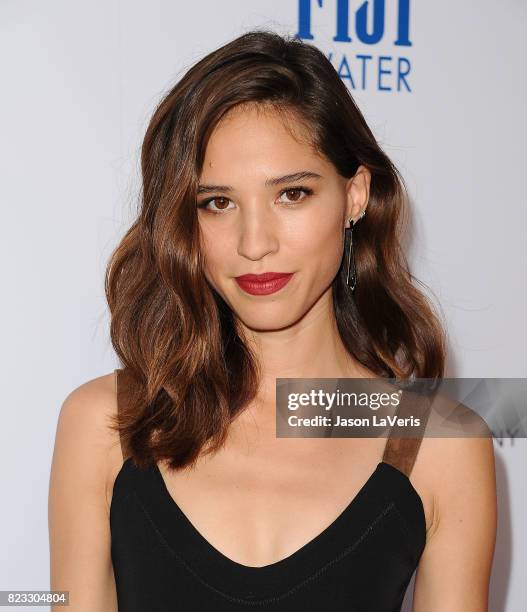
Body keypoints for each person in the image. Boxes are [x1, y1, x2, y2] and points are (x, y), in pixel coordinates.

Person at [48, 30, 497, 611]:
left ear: (355, 195)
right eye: (218, 203)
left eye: (292, 194)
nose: (254, 243)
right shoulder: (105, 424)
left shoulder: (440, 443)